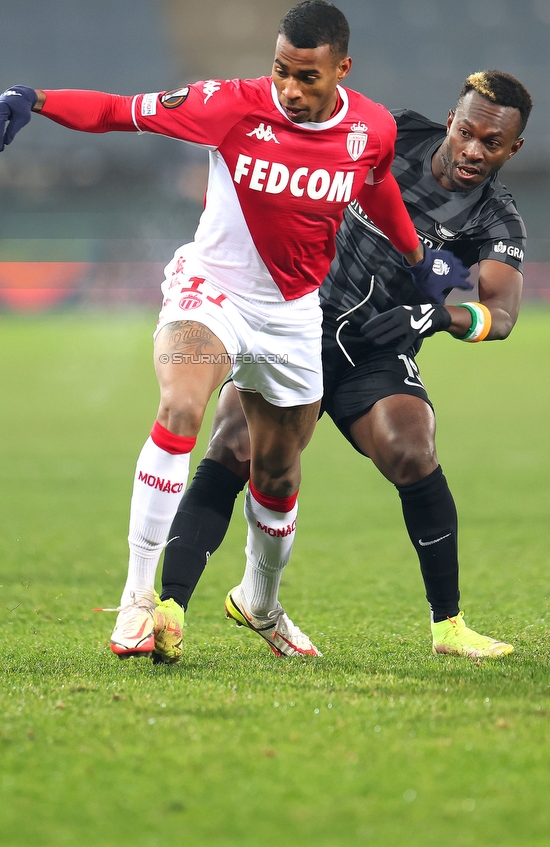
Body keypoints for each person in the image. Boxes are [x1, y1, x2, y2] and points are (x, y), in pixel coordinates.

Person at [0, 0, 469, 661]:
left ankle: (261, 602)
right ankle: (136, 600)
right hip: (213, 291)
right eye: (281, 71)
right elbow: (120, 112)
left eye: (307, 77)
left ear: (342, 70)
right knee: (182, 406)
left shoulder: (372, 129)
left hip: (295, 313)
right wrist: (34, 98)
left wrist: (417, 259)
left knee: (277, 469)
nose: (290, 89)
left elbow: (375, 185)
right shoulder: (230, 106)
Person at [156, 69, 531, 662]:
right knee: (233, 444)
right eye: (466, 132)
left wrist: (436, 319)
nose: (473, 151)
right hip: (294, 321)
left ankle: (450, 627)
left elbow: (500, 314)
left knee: (413, 451)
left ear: (513, 148)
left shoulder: (495, 219)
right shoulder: (398, 134)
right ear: (452, 121)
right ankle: (169, 607)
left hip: (377, 348)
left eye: (492, 144)